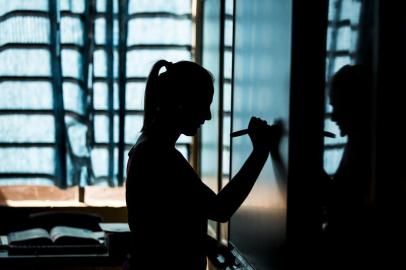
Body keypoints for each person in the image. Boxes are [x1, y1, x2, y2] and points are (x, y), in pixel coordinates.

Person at [125, 60, 279, 270]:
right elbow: (220, 209)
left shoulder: (148, 148)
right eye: (203, 104)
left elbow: (165, 224)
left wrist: (205, 243)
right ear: (181, 103)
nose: (207, 116)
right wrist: (260, 152)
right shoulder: (160, 155)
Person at [322, 64, 375, 269]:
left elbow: (345, 208)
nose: (333, 117)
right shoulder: (358, 143)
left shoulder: (365, 149)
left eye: (337, 106)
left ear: (354, 104)